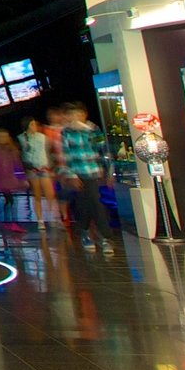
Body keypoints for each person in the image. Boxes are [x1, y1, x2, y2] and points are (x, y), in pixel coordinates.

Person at [58, 103, 114, 256]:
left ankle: (92, 233)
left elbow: (103, 150)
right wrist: (72, 175)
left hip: (95, 172)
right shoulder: (66, 132)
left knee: (93, 202)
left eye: (79, 115)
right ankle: (96, 235)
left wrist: (109, 171)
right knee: (88, 203)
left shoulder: (93, 130)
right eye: (73, 115)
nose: (76, 118)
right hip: (79, 173)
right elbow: (67, 155)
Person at [17, 111, 55, 229]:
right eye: (32, 124)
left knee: (50, 193)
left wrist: (49, 166)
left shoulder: (43, 137)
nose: (35, 127)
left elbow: (48, 152)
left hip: (43, 168)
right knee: (37, 195)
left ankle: (52, 216)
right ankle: (40, 220)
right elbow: (21, 155)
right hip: (31, 170)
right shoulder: (21, 138)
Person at [0, 130, 27, 229]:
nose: (2, 139)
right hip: (1, 178)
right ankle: (10, 222)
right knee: (10, 200)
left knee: (10, 200)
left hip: (9, 178)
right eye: (0, 137)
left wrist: (22, 177)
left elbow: (18, 164)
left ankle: (10, 221)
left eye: (4, 137)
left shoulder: (11, 150)